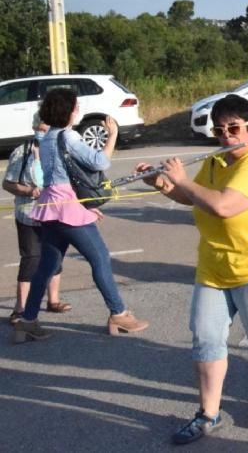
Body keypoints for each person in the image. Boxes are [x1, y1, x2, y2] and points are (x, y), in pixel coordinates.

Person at [135, 94, 248, 445]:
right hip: (214, 265)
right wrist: (163, 184)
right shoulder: (215, 161)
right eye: (219, 130)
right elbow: (194, 197)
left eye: (234, 128)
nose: (226, 136)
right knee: (206, 339)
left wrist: (180, 178)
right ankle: (208, 414)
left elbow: (224, 206)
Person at [12, 88, 148, 344]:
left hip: (51, 206)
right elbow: (100, 163)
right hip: (68, 209)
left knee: (47, 266)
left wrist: (83, 205)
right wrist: (112, 136)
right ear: (70, 110)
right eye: (75, 106)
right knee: (100, 258)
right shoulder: (68, 136)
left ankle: (27, 321)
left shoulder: (47, 138)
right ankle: (118, 313)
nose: (78, 110)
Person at [4, 113, 70, 325]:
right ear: (34, 127)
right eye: (40, 128)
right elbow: (7, 184)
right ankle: (20, 308)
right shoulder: (22, 151)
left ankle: (53, 300)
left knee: (55, 255)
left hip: (56, 213)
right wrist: (28, 190)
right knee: (32, 257)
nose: (43, 132)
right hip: (29, 214)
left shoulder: (61, 149)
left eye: (47, 128)